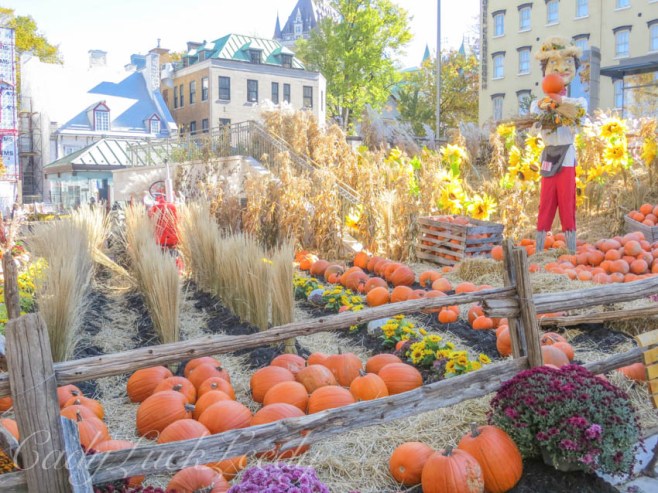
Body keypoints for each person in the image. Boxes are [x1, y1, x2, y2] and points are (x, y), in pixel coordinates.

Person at [531, 37, 587, 254]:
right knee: (545, 202)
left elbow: (579, 120)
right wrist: (548, 104)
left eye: (567, 64)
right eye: (554, 65)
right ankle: (539, 250)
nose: (562, 69)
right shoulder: (539, 105)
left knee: (566, 201)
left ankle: (571, 250)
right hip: (548, 156)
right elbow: (534, 124)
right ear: (545, 69)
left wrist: (558, 104)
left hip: (566, 157)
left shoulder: (577, 104)